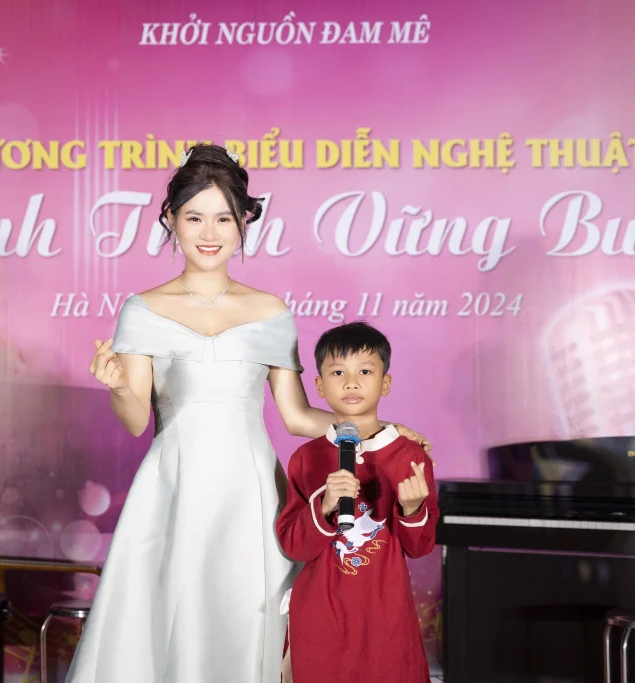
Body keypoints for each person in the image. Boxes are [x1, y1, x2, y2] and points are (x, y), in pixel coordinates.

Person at [67, 143, 431, 683]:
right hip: (175, 486)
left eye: (224, 218)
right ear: (171, 220)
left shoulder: (270, 311)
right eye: (194, 217)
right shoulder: (142, 310)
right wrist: (119, 386)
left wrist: (379, 433)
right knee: (172, 618)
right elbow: (137, 419)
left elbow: (297, 416)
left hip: (251, 488)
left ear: (244, 223)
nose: (209, 232)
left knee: (248, 617)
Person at [275, 321, 439, 683]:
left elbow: (420, 547)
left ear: (386, 383)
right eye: (338, 372)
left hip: (384, 611)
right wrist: (325, 506)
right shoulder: (306, 458)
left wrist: (412, 510)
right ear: (319, 386)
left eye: (365, 371)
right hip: (320, 612)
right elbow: (294, 545)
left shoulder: (410, 456)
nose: (351, 382)